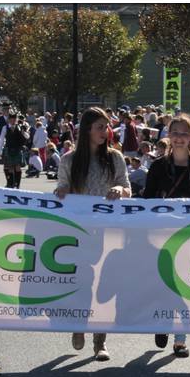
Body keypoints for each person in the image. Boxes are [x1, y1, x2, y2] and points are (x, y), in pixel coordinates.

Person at [54, 107, 131, 361]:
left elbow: (127, 187)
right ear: (87, 129)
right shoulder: (68, 160)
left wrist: (119, 188)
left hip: (108, 231)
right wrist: (63, 190)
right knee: (82, 282)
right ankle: (79, 324)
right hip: (78, 232)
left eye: (107, 126)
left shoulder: (116, 157)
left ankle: (101, 340)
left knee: (103, 285)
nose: (105, 131)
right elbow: (61, 189)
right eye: (99, 126)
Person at [143, 114, 190, 358]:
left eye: (184, 133)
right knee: (164, 284)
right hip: (161, 236)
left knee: (184, 287)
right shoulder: (158, 166)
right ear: (168, 136)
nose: (179, 138)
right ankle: (163, 321)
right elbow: (147, 201)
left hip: (189, 238)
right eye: (175, 133)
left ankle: (180, 339)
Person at [0, 113, 28, 188]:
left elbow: (27, 137)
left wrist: (23, 132)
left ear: (16, 120)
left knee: (18, 167)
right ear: (8, 120)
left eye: (14, 119)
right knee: (10, 167)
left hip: (17, 149)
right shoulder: (5, 128)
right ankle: (11, 183)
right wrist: (0, 150)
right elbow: (1, 139)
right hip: (9, 148)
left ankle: (17, 184)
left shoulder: (20, 127)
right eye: (11, 119)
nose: (13, 121)